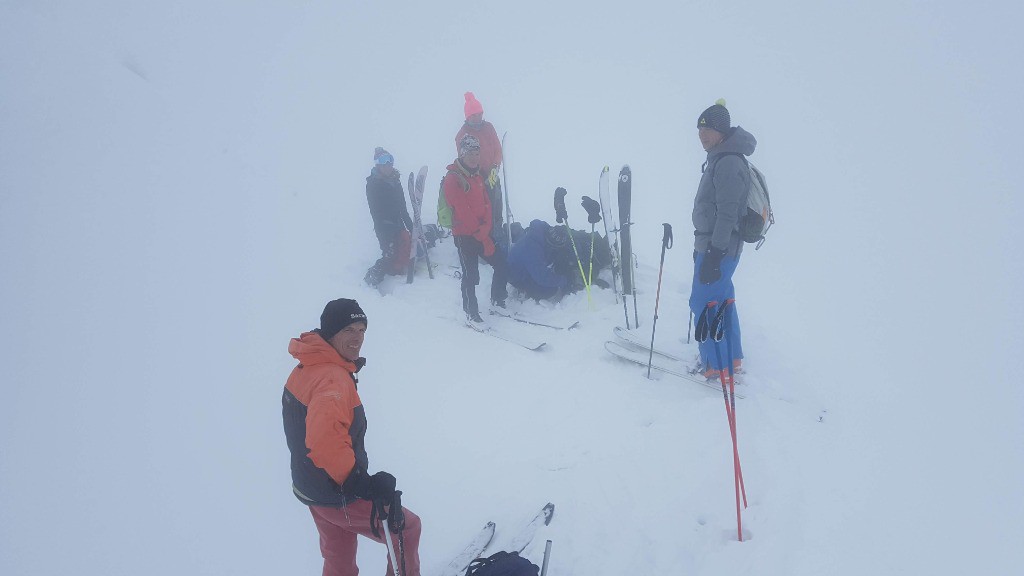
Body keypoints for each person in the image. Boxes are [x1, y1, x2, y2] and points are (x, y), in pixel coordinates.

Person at [282, 298, 422, 576]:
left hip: (311, 487)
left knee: (338, 553)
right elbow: (325, 442)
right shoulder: (331, 379)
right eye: (348, 330)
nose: (357, 339)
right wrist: (359, 482)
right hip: (337, 490)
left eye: (361, 330)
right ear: (331, 332)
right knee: (405, 528)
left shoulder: (308, 365)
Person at [689, 100, 755, 378]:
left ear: (722, 131)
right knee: (723, 299)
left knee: (703, 303)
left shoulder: (727, 162)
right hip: (718, 246)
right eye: (699, 129)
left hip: (719, 247)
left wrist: (714, 253)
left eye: (708, 129)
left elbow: (727, 212)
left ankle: (717, 365)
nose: (702, 135)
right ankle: (732, 359)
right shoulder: (723, 157)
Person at [444, 133, 508, 321]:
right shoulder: (453, 178)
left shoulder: (478, 176)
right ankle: (471, 313)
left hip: (482, 232)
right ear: (462, 154)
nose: (474, 157)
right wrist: (481, 234)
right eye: (470, 153)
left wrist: (486, 228)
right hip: (464, 236)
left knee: (501, 263)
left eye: (477, 153)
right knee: (471, 275)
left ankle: (497, 300)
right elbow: (462, 209)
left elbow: (487, 204)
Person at [455, 92, 505, 249]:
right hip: (476, 178)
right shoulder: (462, 134)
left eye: (480, 114)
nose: (477, 118)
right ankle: (486, 240)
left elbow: (497, 148)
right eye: (474, 115)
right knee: (483, 211)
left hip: (492, 174)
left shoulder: (488, 127)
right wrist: (476, 176)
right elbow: (465, 160)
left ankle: (498, 234)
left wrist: (495, 168)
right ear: (468, 116)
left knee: (497, 205)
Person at [364, 147, 413, 287]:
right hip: (384, 225)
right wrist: (388, 230)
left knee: (406, 245)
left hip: (397, 222)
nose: (388, 166)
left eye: (390, 162)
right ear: (378, 165)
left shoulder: (395, 181)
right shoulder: (373, 184)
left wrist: (411, 228)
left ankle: (398, 267)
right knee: (389, 256)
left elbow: (403, 208)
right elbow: (375, 211)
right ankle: (371, 278)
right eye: (384, 162)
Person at [506, 219, 571, 301]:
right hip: (516, 275)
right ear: (550, 243)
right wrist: (563, 281)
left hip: (528, 267)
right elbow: (542, 277)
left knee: (559, 256)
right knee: (549, 291)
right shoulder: (532, 249)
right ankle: (524, 290)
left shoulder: (541, 235)